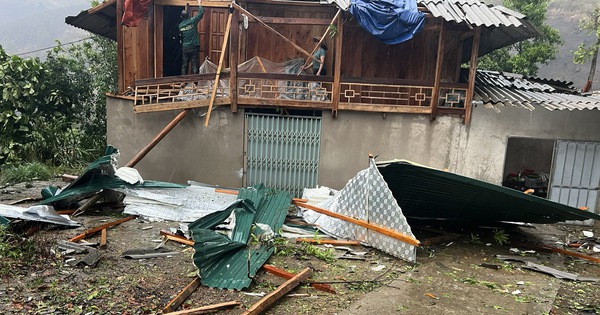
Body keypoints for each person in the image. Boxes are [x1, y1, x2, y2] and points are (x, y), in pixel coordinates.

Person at [179, 0, 204, 75]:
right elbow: (201, 13)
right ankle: (195, 83)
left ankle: (183, 82)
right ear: (189, 15)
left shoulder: (180, 26)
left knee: (184, 64)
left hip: (185, 47)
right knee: (194, 64)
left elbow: (181, 37)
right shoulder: (192, 21)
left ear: (181, 17)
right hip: (194, 47)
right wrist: (199, 3)